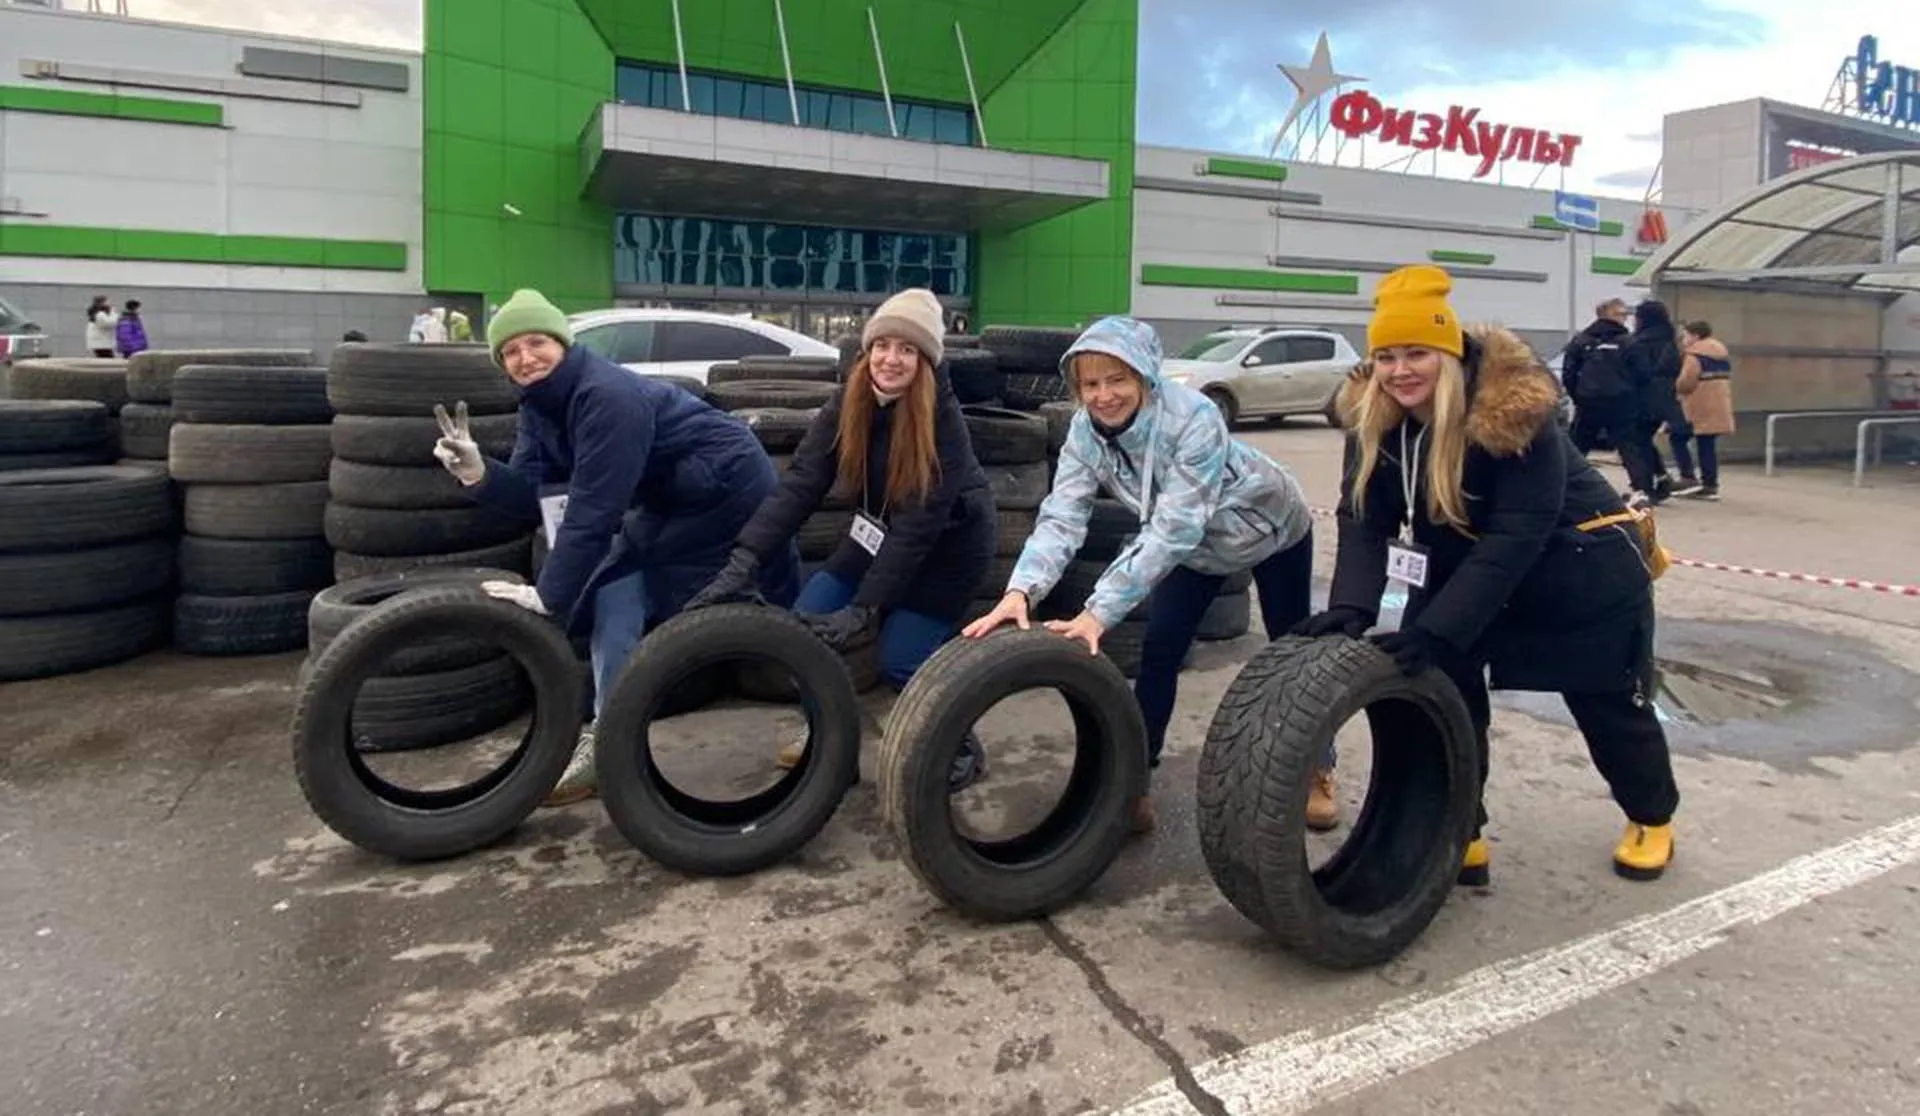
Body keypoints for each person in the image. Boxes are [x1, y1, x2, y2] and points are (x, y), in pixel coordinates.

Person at [1296, 265, 1680, 884]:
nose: (1400, 371)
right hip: (1461, 569)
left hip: (1577, 572)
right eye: (1386, 356)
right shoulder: (1376, 413)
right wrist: (1354, 606)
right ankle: (1459, 828)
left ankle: (1651, 815)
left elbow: (1519, 531)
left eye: (1417, 353)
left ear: (1448, 352)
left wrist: (1440, 627)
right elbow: (1363, 516)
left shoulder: (1515, 412)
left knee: (1608, 705)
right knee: (1446, 701)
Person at [432, 288, 800, 806]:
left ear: (562, 343)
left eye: (536, 342)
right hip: (672, 495)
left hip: (728, 487)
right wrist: (480, 475)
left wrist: (550, 594)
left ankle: (821, 719)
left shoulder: (605, 395)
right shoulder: (540, 406)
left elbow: (595, 512)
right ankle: (611, 742)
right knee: (614, 588)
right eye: (510, 351)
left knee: (744, 596)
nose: (525, 358)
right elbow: (539, 495)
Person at [963, 315, 1326, 835]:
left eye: (1118, 379)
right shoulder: (1084, 435)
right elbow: (1063, 516)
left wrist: (1097, 611)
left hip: (1272, 529)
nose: (1104, 396)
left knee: (1294, 651)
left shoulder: (1196, 418)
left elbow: (1174, 527)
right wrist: (1022, 589)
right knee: (1158, 651)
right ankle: (1134, 781)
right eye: (1091, 384)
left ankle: (1316, 765)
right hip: (1200, 551)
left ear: (1145, 377)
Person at [686, 289, 996, 791]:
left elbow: (918, 523)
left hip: (946, 548)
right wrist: (744, 559)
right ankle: (832, 744)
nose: (891, 359)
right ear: (867, 349)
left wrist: (867, 606)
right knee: (804, 629)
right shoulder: (850, 397)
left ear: (925, 360)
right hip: (873, 532)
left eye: (907, 350)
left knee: (900, 659)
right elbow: (803, 480)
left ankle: (962, 745)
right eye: (883, 345)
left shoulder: (942, 420)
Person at [1561, 299, 1657, 498]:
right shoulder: (1629, 342)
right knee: (1629, 447)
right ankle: (1643, 489)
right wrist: (1632, 396)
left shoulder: (1582, 340)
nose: (1625, 319)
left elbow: (1568, 372)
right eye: (1622, 314)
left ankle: (1561, 485)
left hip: (1589, 401)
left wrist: (1578, 396)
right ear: (1609, 315)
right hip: (1622, 402)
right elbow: (1643, 373)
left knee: (1577, 446)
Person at [1625, 299, 1688, 502]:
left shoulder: (1640, 342)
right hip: (1664, 402)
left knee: (1635, 443)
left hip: (1642, 400)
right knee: (1643, 440)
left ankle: (1644, 488)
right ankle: (1660, 478)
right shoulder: (1669, 341)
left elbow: (1637, 372)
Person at [1675, 320, 1734, 500]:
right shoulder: (1721, 354)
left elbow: (1686, 383)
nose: (1683, 339)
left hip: (1699, 405)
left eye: (1685, 335)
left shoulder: (1694, 355)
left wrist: (1675, 386)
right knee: (1707, 444)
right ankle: (1710, 483)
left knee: (1677, 437)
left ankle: (1691, 478)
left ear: (1695, 336)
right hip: (1719, 404)